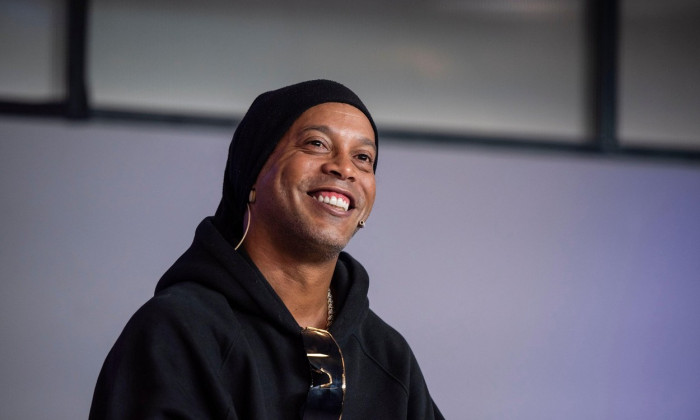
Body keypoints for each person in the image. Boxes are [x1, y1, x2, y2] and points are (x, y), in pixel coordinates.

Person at [89, 80, 444, 419]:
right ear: (253, 172)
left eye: (363, 157)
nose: (344, 168)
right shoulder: (178, 332)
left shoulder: (389, 357)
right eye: (316, 144)